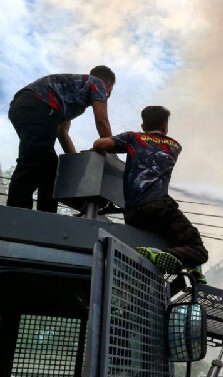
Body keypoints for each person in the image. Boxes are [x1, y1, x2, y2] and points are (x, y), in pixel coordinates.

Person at [92, 106, 208, 283]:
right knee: (197, 249)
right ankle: (167, 256)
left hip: (133, 214)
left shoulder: (133, 138)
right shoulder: (175, 146)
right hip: (160, 208)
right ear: (165, 125)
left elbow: (99, 144)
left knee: (173, 234)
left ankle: (190, 267)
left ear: (143, 125)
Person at [7, 66, 116, 212]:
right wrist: (112, 150)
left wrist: (77, 164)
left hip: (23, 107)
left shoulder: (70, 94)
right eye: (109, 92)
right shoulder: (97, 83)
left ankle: (46, 217)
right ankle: (16, 214)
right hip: (39, 105)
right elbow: (102, 121)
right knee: (32, 161)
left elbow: (62, 132)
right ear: (108, 84)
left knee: (50, 167)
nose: (106, 96)